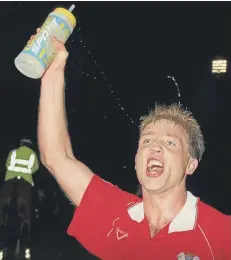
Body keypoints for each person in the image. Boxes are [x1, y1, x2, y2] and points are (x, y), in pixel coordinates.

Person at [36, 32, 231, 260]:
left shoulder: (220, 234)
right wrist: (53, 71)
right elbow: (57, 158)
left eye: (169, 142)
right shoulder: (115, 213)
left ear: (190, 164)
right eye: (146, 140)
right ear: (136, 159)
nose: (154, 148)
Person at [0, 138, 39, 250]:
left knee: (2, 199)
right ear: (29, 145)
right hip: (25, 181)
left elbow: (7, 165)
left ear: (21, 144)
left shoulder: (13, 152)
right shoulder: (32, 154)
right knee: (30, 203)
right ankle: (28, 221)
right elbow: (35, 168)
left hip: (10, 180)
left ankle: (1, 219)